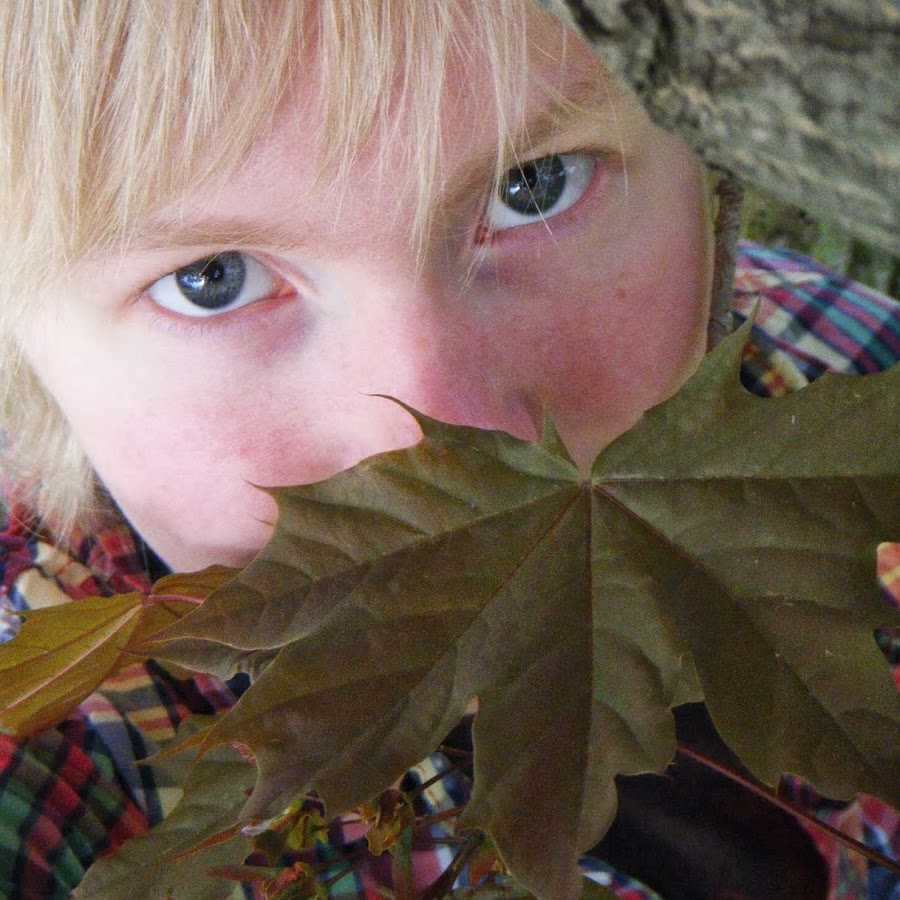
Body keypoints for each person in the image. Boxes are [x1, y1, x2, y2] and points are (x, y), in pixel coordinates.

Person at [0, 1, 896, 897]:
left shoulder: (846, 371)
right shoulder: (59, 742)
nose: (446, 443)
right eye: (212, 280)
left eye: (535, 185)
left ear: (712, 181)